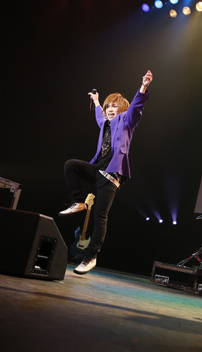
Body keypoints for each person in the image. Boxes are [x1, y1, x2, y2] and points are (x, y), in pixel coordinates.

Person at [59, 70, 153, 275]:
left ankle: (90, 257)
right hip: (97, 169)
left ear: (122, 110)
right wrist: (96, 101)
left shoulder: (127, 121)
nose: (110, 110)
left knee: (100, 216)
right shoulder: (105, 124)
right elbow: (99, 116)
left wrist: (143, 87)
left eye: (114, 106)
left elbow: (136, 106)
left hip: (111, 175)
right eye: (108, 107)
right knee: (71, 165)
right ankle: (78, 202)